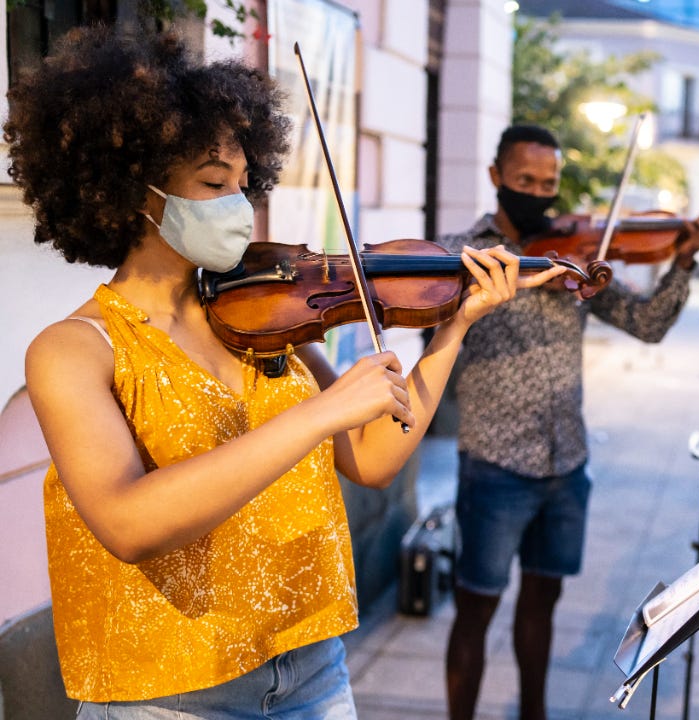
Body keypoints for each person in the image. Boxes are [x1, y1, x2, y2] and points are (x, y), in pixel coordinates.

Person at [9, 27, 556, 717]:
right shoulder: (74, 349)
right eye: (214, 184)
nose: (241, 205)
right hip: (170, 696)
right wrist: (318, 413)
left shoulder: (261, 315)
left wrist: (455, 328)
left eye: (244, 184)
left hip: (312, 674)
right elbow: (128, 523)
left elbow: (372, 459)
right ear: (131, 192)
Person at [437, 124, 699, 720]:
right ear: (496, 178)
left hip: (566, 461)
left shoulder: (576, 257)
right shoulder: (459, 253)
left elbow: (647, 325)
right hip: (494, 460)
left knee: (542, 605)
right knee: (475, 609)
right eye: (525, 181)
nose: (539, 193)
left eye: (549, 183)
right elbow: (425, 328)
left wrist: (685, 259)